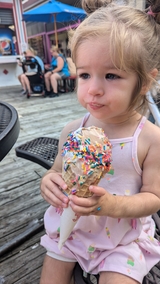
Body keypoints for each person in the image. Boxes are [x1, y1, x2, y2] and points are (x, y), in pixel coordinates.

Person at [40, 0, 160, 283]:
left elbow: (154, 198)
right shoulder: (73, 130)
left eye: (111, 75)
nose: (93, 89)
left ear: (143, 83)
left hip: (122, 237)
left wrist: (110, 206)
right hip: (72, 228)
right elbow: (57, 170)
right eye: (84, 74)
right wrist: (49, 182)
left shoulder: (149, 139)